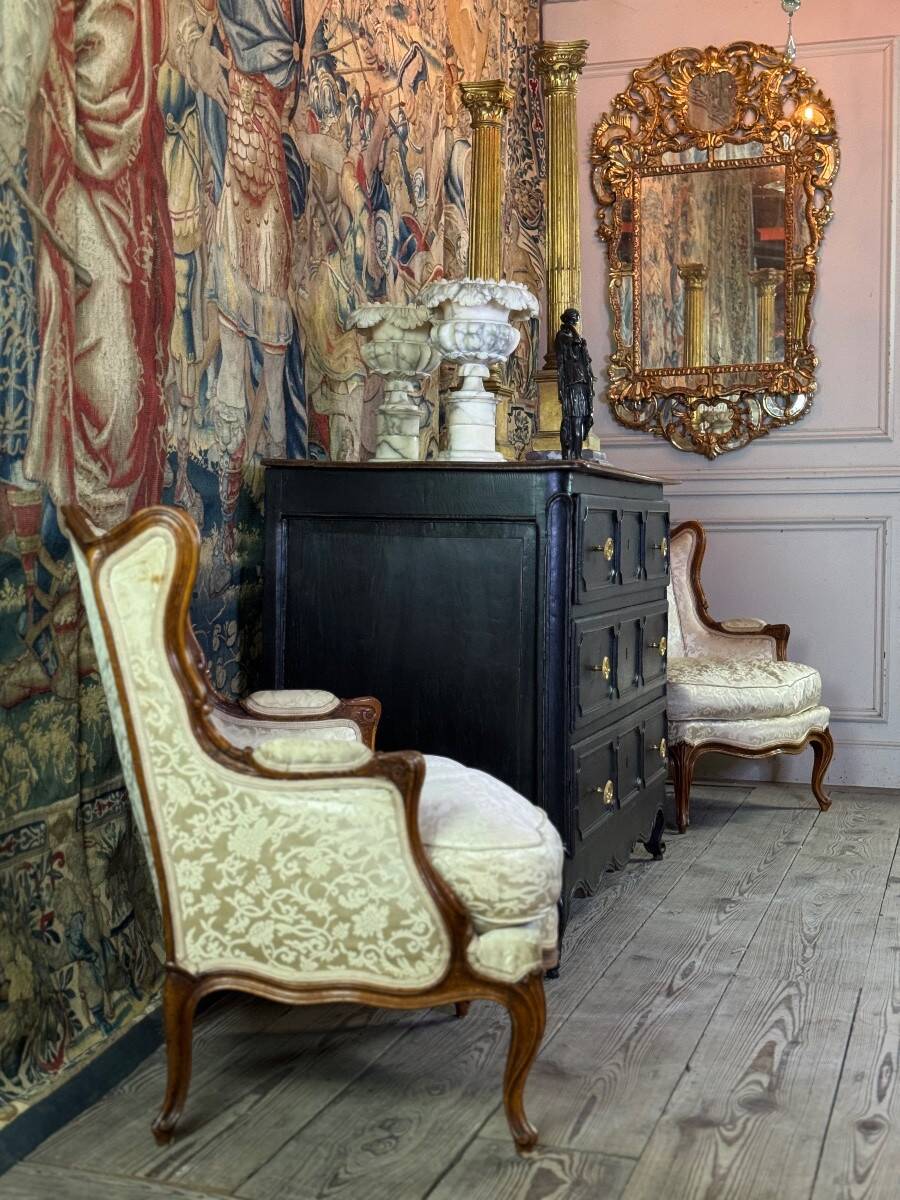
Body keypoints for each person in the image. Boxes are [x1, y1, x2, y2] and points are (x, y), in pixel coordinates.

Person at [555, 308, 595, 459]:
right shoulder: (563, 336)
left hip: (583, 383)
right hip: (573, 384)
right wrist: (571, 329)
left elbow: (587, 360)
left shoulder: (574, 339)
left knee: (582, 422)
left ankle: (576, 455)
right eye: (573, 320)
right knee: (574, 423)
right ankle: (574, 455)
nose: (575, 323)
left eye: (575, 320)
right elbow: (575, 341)